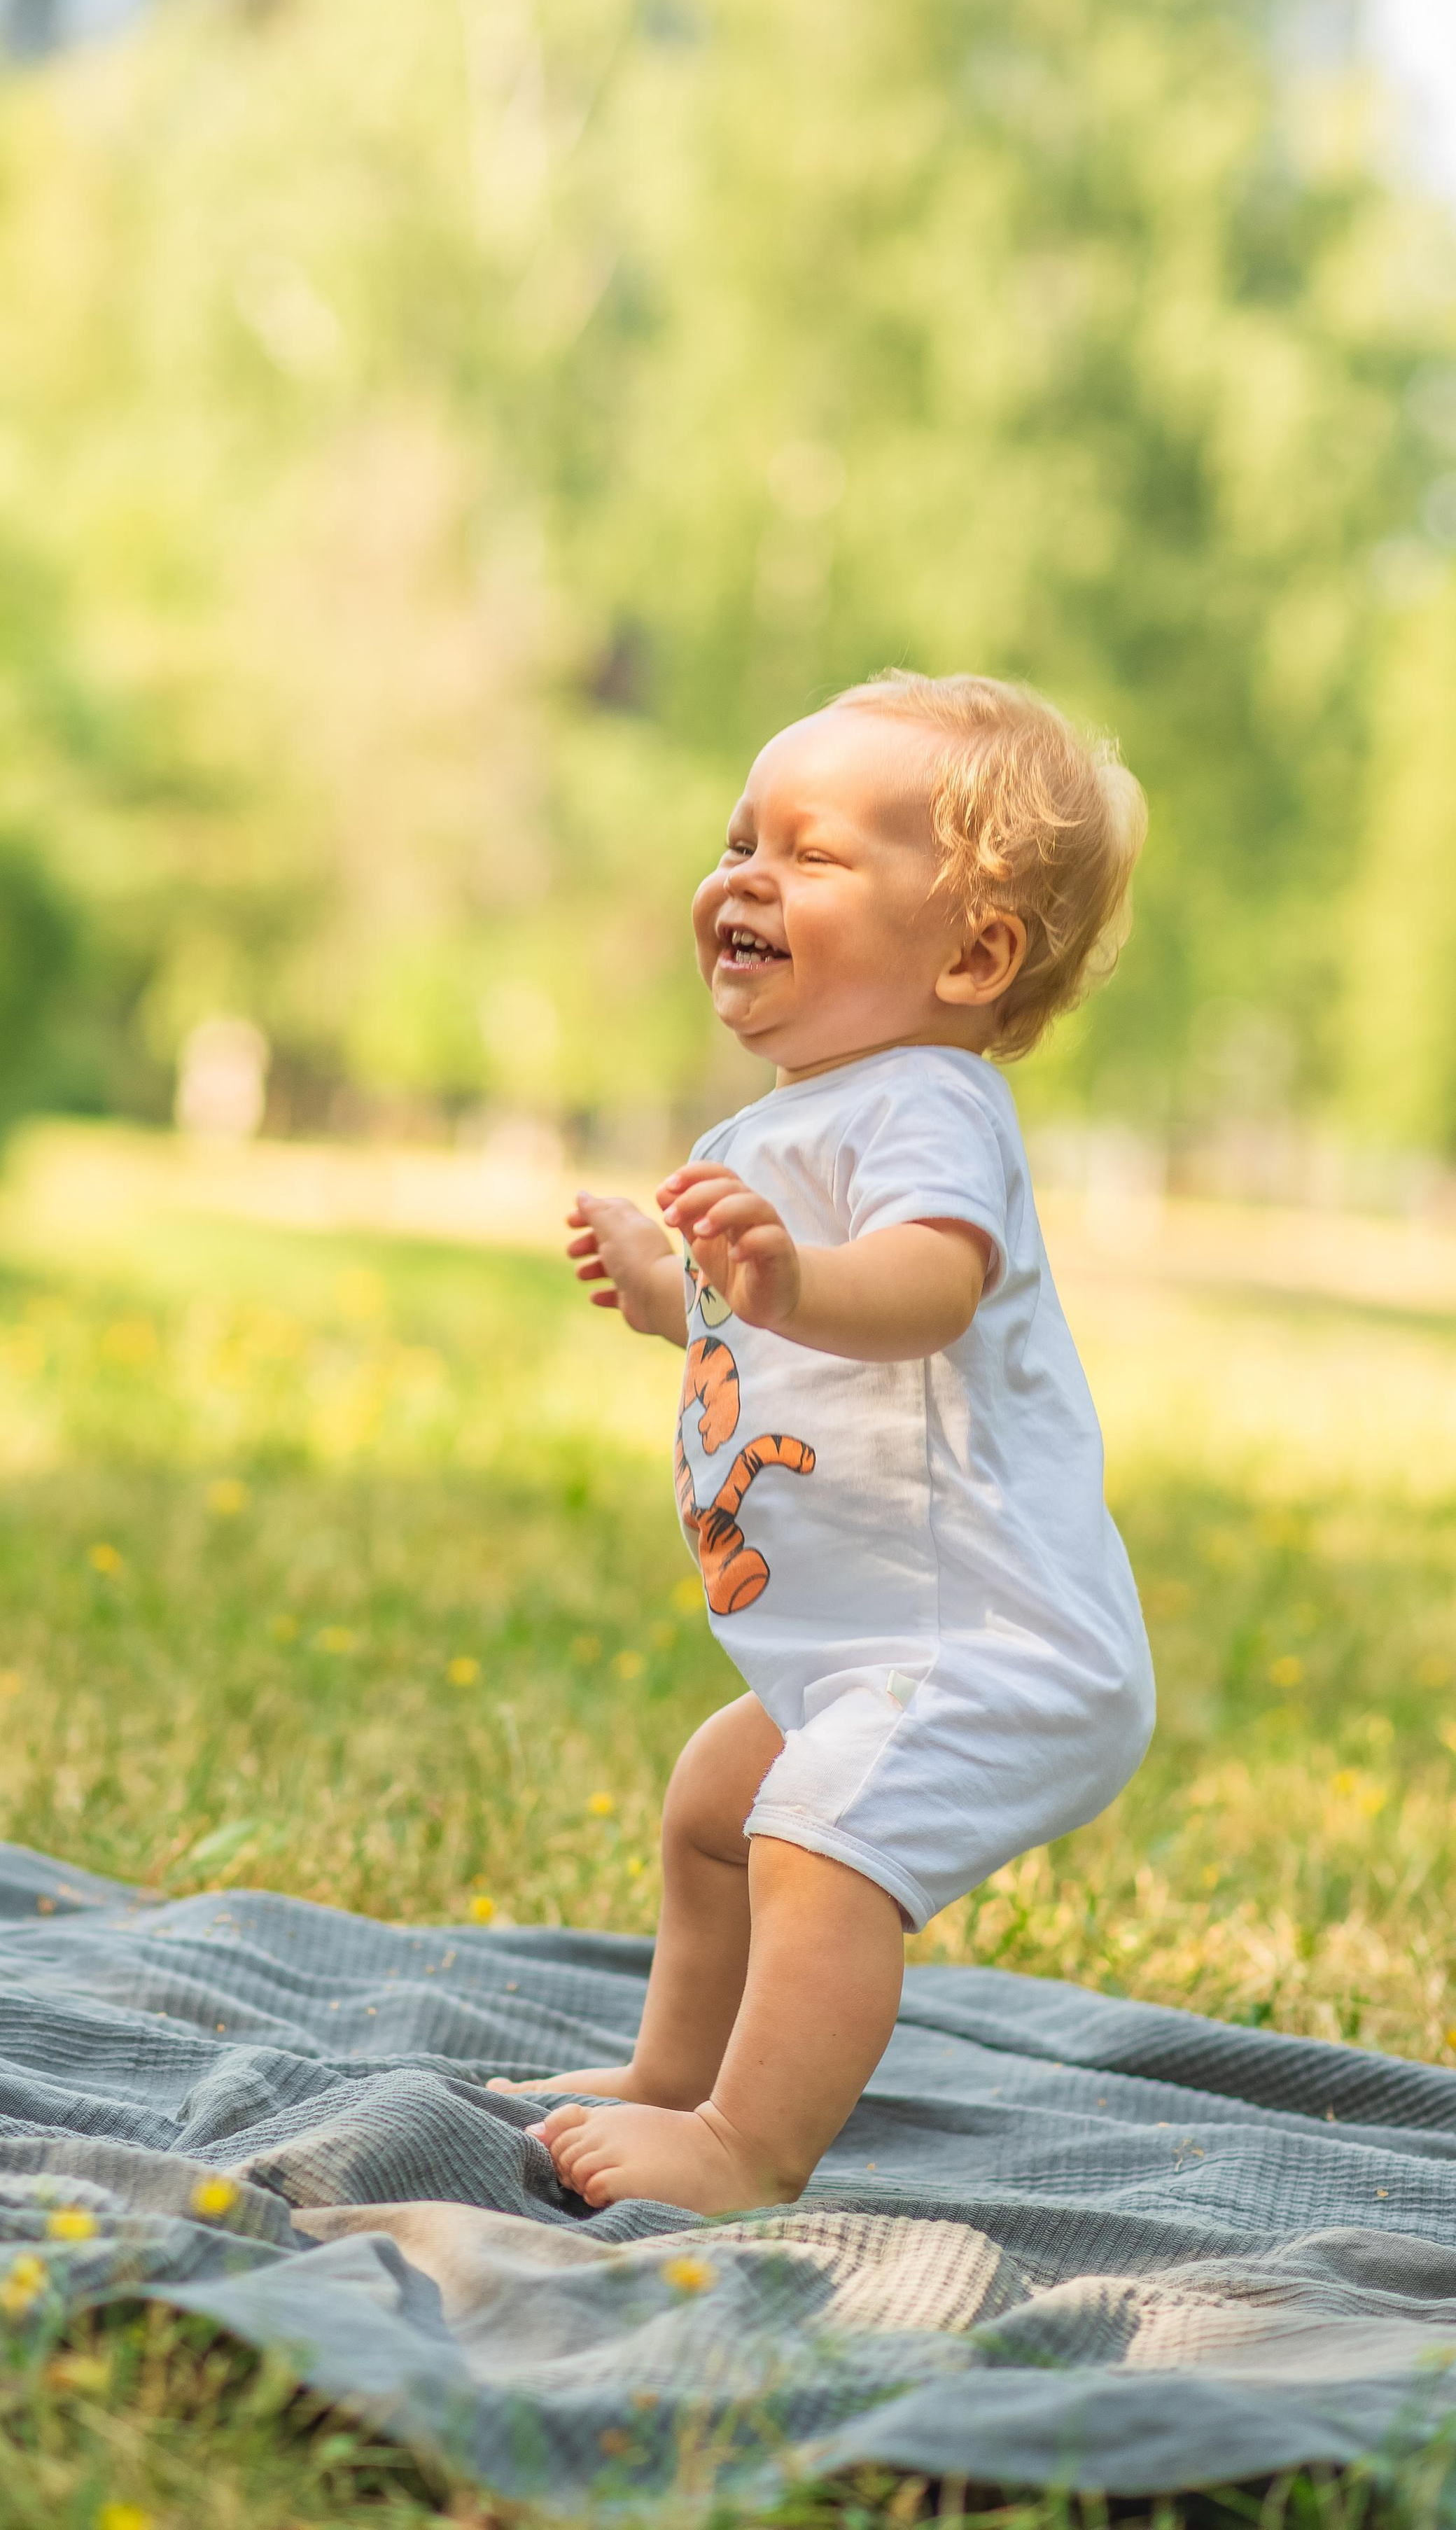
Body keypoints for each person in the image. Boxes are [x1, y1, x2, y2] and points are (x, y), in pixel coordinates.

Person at [489, 670, 1155, 2214]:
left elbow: (923, 1289)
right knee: (713, 1810)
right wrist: (676, 1290)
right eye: (737, 841)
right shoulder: (765, 1131)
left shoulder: (928, 1102)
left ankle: (746, 2147)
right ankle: (675, 2077)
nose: (740, 876)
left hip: (986, 1640)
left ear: (972, 950)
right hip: (862, 1648)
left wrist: (787, 1271)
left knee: (809, 1833)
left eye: (809, 852)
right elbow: (755, 1341)